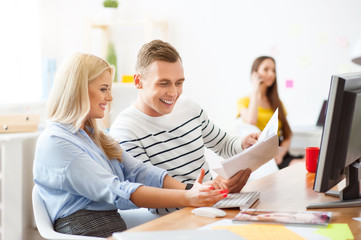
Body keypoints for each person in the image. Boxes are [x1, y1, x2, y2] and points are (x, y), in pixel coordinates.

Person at [33, 53, 229, 238]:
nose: (109, 97)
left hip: (112, 224)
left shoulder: (93, 136)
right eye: (103, 89)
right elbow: (117, 190)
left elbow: (138, 171)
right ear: (78, 90)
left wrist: (192, 190)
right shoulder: (56, 142)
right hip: (84, 230)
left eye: (109, 89)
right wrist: (187, 198)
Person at [109, 40, 260, 214]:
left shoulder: (189, 108)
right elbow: (150, 190)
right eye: (163, 83)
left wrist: (243, 144)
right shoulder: (124, 130)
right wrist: (207, 191)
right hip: (175, 217)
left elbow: (224, 144)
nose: (173, 93)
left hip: (213, 204)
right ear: (138, 81)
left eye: (179, 83)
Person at [236, 56, 304, 169]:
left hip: (279, 152)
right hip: (263, 156)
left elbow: (287, 134)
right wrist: (255, 90)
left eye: (273, 70)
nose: (271, 74)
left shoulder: (277, 102)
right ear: (255, 73)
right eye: (266, 69)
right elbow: (251, 121)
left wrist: (280, 155)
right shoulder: (244, 101)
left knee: (315, 160)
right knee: (303, 166)